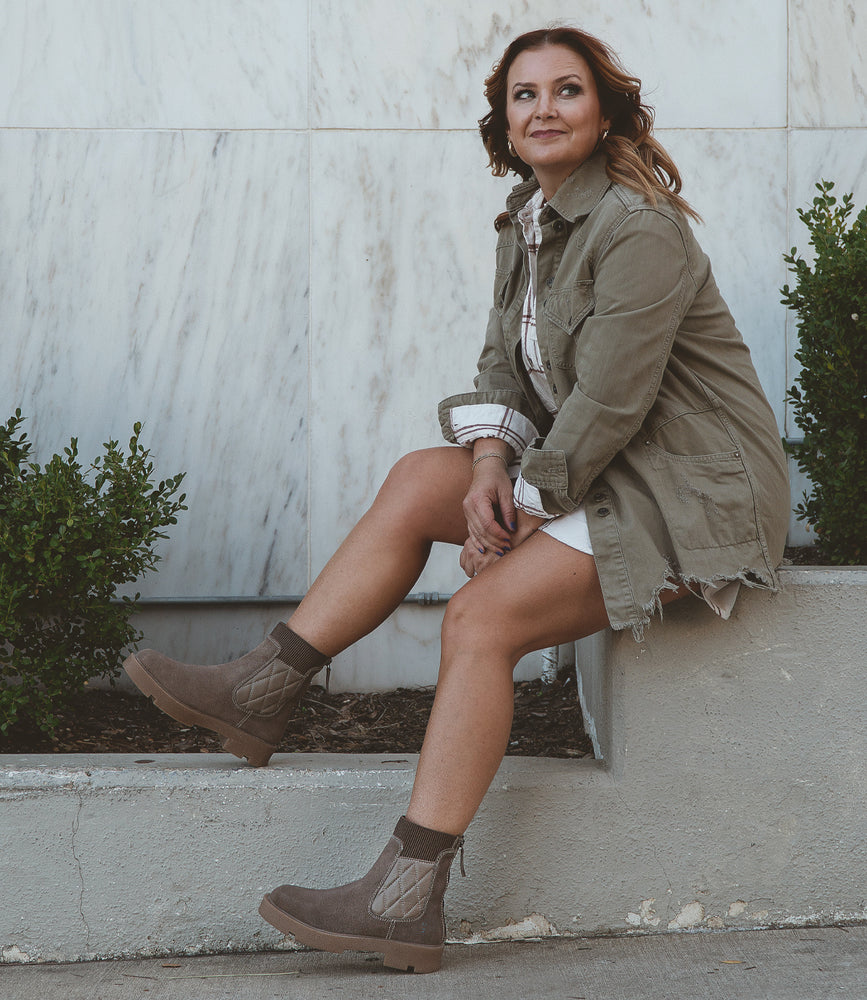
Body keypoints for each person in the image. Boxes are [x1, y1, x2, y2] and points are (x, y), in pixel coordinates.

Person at [123, 26, 789, 974]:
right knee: (415, 479)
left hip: (689, 491)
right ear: (504, 121)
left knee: (479, 620)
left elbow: (608, 402)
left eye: (567, 92)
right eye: (525, 95)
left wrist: (520, 507)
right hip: (597, 464)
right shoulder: (530, 218)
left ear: (604, 115)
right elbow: (500, 368)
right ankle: (260, 692)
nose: (545, 110)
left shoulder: (637, 228)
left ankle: (404, 898)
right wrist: (486, 470)